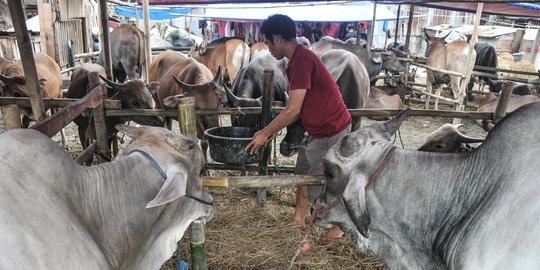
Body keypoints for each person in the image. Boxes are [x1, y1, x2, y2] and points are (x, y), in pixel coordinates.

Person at [245, 14, 351, 242]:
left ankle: (338, 227)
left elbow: (293, 109)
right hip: (316, 129)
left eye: (268, 42)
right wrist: (272, 131)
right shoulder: (297, 60)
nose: (268, 48)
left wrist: (265, 132)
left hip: (332, 129)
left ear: (277, 38)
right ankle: (298, 219)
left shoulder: (302, 60)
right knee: (302, 172)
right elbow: (297, 109)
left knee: (329, 180)